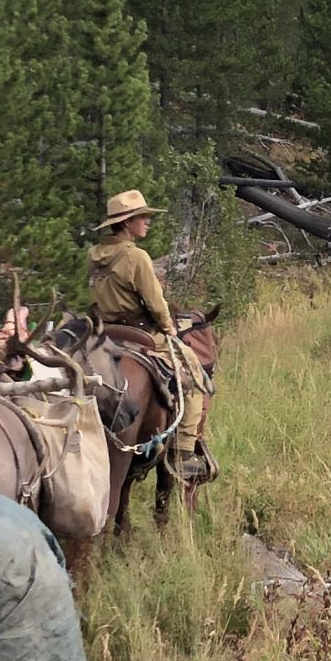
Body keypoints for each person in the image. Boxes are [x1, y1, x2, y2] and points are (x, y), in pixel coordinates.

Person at [87, 189, 214, 484]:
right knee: (193, 373)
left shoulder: (93, 255)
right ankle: (184, 452)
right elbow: (155, 303)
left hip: (104, 334)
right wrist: (168, 327)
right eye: (142, 217)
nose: (147, 221)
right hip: (139, 332)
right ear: (126, 222)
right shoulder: (136, 257)